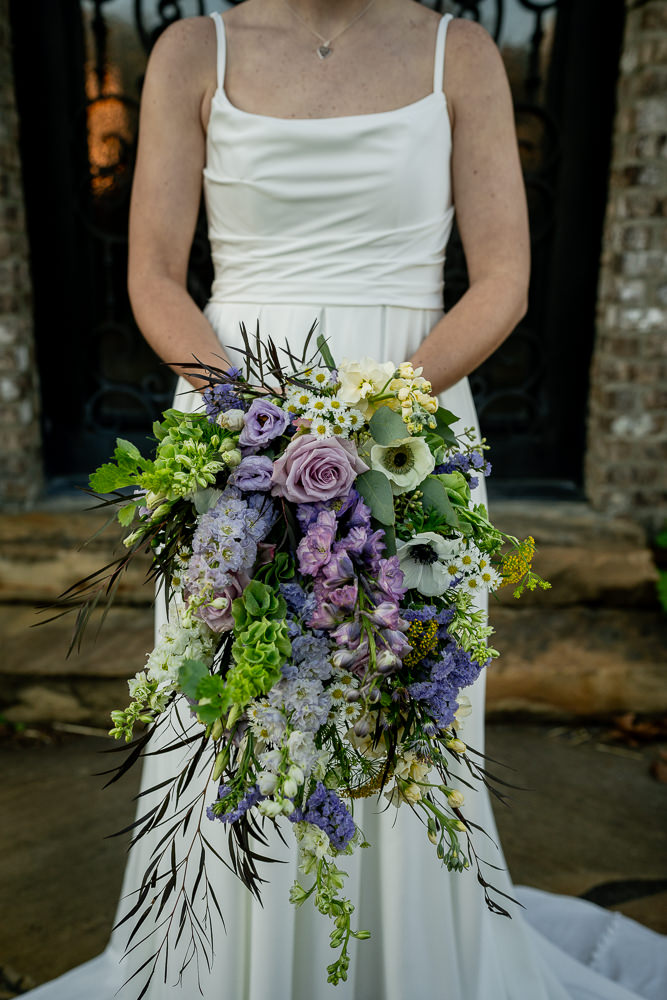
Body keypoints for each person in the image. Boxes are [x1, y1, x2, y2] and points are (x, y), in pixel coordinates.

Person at [24, 2, 666, 998]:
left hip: (411, 426)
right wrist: (249, 420)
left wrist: (371, 414)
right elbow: (152, 274)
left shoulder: (461, 53)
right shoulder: (194, 50)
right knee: (236, 696)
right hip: (234, 418)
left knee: (401, 693)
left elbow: (502, 281)